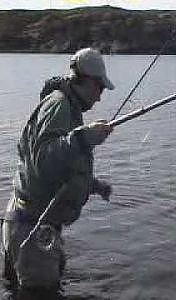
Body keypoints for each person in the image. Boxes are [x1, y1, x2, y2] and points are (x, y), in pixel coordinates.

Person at [1, 48, 114, 296]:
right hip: (32, 228)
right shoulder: (60, 106)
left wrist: (94, 185)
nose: (99, 98)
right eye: (100, 89)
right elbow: (44, 159)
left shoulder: (66, 108)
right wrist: (84, 139)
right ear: (87, 81)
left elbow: (56, 168)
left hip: (27, 222)